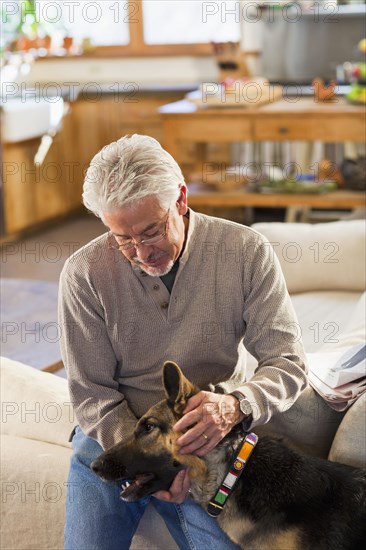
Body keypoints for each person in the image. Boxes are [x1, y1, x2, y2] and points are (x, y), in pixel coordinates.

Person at [59, 134, 308, 550]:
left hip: (210, 436)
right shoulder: (84, 273)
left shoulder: (246, 251)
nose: (140, 252)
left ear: (180, 199)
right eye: (122, 238)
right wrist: (153, 461)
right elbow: (91, 392)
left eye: (151, 232)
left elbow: (287, 362)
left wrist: (235, 405)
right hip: (119, 435)